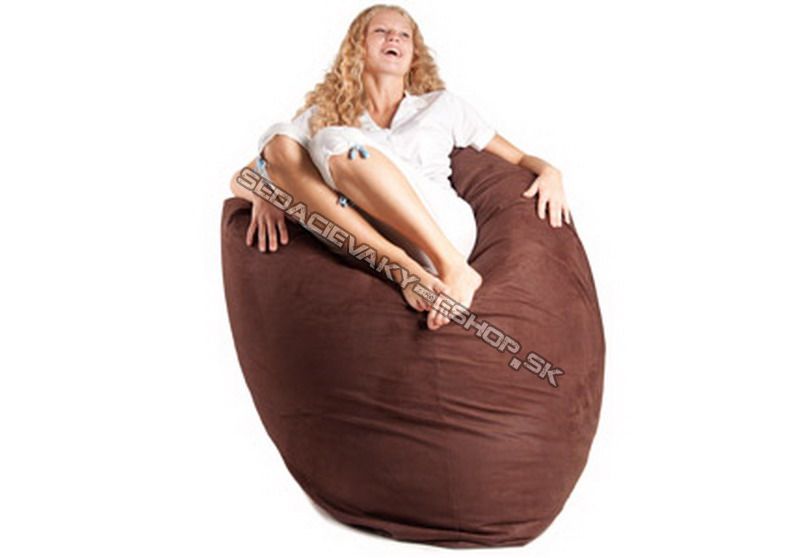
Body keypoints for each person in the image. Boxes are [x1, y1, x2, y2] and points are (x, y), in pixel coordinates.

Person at [230, 4, 570, 331]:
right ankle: (402, 268)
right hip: (368, 241)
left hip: (442, 228)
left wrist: (551, 172)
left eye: (404, 35)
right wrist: (267, 195)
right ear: (358, 47)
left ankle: (454, 268)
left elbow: (519, 158)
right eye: (381, 31)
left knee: (335, 141)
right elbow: (246, 175)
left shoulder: (442, 105)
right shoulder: (323, 114)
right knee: (278, 137)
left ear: (413, 56)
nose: (394, 38)